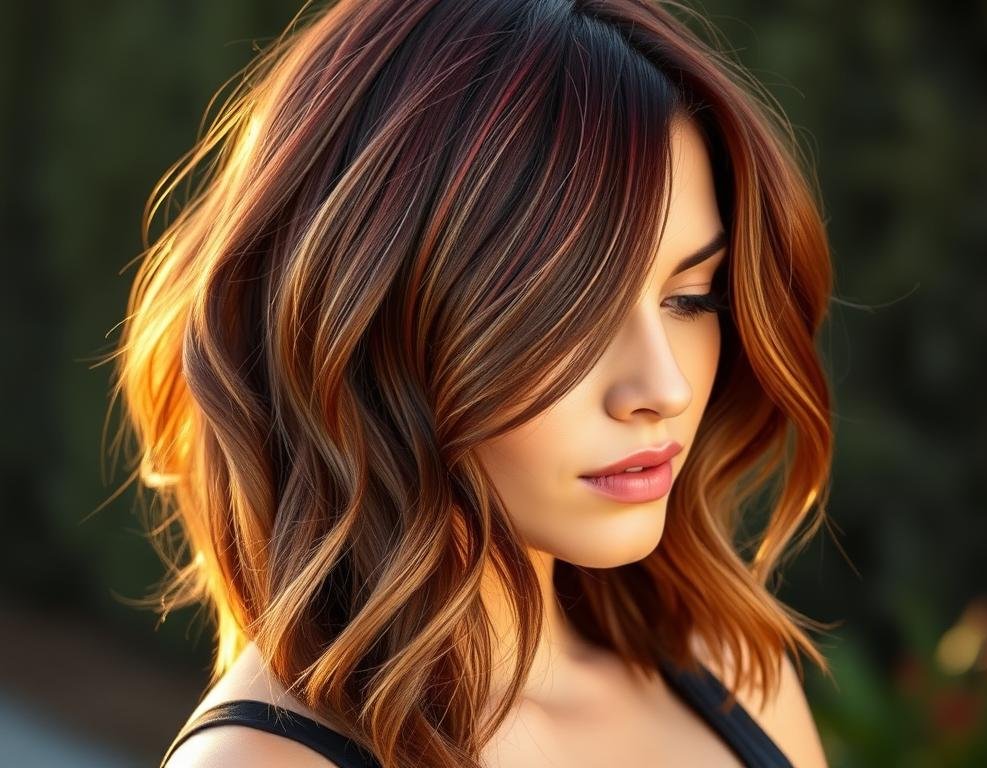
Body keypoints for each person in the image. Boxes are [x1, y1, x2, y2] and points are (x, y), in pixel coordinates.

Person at [107, 1, 836, 766]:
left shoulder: (729, 671)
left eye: (690, 297)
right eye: (566, 311)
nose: (664, 387)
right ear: (372, 319)